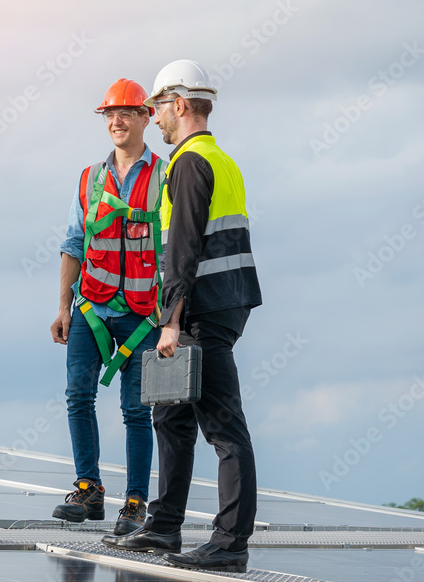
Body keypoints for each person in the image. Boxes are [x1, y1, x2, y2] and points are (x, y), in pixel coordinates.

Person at [103, 60, 262, 574]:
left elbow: (185, 248)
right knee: (169, 414)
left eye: (158, 107)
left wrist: (170, 321)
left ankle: (230, 544)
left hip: (201, 310)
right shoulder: (219, 159)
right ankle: (164, 524)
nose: (155, 117)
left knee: (223, 427)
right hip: (217, 302)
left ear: (179, 104)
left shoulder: (190, 163)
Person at [50, 79, 166, 536]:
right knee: (78, 396)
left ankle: (135, 501)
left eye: (125, 113)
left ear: (146, 117)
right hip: (90, 308)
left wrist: (172, 317)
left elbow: (176, 249)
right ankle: (88, 489)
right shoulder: (90, 178)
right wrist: (64, 307)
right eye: (109, 115)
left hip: (143, 313)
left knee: (137, 410)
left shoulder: (165, 176)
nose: (116, 121)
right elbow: (74, 243)